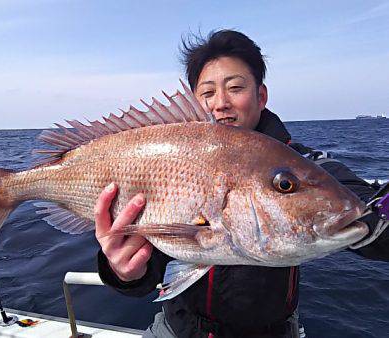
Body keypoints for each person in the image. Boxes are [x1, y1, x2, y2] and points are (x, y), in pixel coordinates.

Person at [94, 30, 389, 338]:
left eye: (235, 87)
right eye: (207, 94)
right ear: (193, 103)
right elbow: (145, 271)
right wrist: (123, 272)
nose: (221, 103)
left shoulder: (302, 163)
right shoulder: (162, 160)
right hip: (178, 329)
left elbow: (365, 205)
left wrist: (373, 220)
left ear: (260, 96)